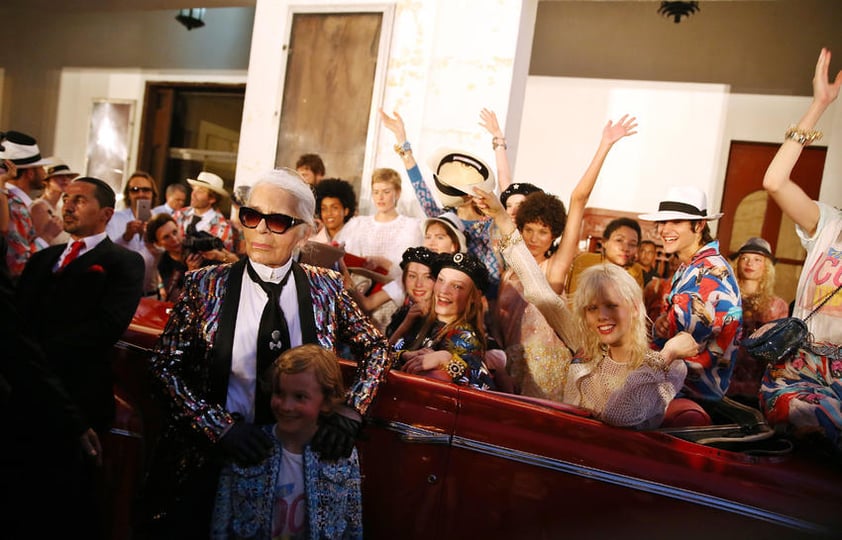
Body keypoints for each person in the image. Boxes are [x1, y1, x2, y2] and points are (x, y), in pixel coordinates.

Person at [140, 168, 390, 539]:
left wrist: (352, 410)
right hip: (213, 461)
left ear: (305, 231)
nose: (260, 229)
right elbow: (163, 366)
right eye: (252, 216)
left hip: (298, 468)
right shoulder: (205, 284)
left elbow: (376, 346)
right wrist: (217, 428)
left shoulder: (326, 287)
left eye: (277, 221)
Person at [14, 176, 144, 536]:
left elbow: (106, 328)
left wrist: (33, 354)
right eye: (66, 198)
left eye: (79, 200)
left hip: (80, 396)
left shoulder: (123, 263)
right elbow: (18, 321)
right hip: (27, 395)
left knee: (67, 501)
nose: (67, 205)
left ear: (105, 213)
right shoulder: (44, 259)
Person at [491, 202, 696, 429]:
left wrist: (667, 355)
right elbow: (538, 289)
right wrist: (500, 216)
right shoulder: (585, 343)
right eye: (592, 308)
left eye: (612, 305)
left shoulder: (669, 366)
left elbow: (619, 415)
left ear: (635, 307)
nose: (602, 316)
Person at [476, 114, 638, 400]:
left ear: (554, 235)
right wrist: (498, 141)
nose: (534, 238)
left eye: (543, 232)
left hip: (548, 375)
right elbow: (505, 190)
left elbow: (578, 199)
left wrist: (605, 144)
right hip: (509, 367)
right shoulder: (509, 269)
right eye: (528, 230)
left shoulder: (554, 269)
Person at [759, 48, 842, 457]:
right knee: (805, 416)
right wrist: (819, 105)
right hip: (800, 371)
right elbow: (774, 181)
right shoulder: (829, 223)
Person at [211, 344, 363, 539]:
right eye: (279, 393)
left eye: (299, 397)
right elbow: (221, 519)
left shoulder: (342, 454)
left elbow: (353, 520)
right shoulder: (249, 446)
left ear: (326, 401)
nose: (286, 406)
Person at [380, 109, 503, 299]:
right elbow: (419, 186)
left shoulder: (490, 226)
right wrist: (401, 140)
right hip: (438, 299)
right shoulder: (445, 219)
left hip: (475, 304)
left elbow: (492, 278)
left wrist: (498, 140)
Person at [639, 186, 742, 403]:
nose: (664, 230)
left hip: (689, 391)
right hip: (679, 383)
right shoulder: (691, 266)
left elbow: (681, 345)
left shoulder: (706, 273)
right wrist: (661, 325)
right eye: (662, 222)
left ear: (699, 225)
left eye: (676, 222)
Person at [335, 168, 423, 331]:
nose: (380, 197)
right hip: (357, 290)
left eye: (386, 191)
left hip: (391, 296)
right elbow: (339, 255)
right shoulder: (358, 224)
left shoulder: (411, 227)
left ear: (397, 192)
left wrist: (385, 263)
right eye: (376, 192)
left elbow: (414, 272)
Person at [397, 252, 497, 391]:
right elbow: (382, 355)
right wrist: (404, 343)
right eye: (441, 280)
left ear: (475, 296)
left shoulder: (465, 338)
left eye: (457, 286)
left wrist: (448, 360)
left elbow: (483, 390)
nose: (443, 291)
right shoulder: (419, 320)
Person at [727, 237, 789, 403]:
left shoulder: (777, 306)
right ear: (737, 263)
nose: (749, 263)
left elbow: (777, 353)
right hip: (721, 382)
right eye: (744, 258)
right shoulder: (725, 298)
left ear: (766, 267)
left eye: (757, 259)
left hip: (755, 387)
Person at [0, 131, 61, 277]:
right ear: (30, 173)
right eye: (40, 167)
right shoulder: (14, 205)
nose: (44, 172)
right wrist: (47, 236)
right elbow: (19, 264)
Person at [478, 107, 544, 219]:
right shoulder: (502, 230)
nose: (512, 211)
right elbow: (503, 178)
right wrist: (498, 135)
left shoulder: (536, 233)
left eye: (520, 205)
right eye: (508, 206)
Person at [106, 170, 160, 294]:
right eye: (135, 190)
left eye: (146, 190)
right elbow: (108, 252)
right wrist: (126, 237)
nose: (141, 193)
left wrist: (150, 240)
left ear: (153, 194)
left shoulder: (160, 220)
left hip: (149, 291)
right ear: (128, 194)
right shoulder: (115, 218)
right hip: (119, 290)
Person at [567, 216, 643, 296]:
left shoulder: (635, 270)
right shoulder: (586, 261)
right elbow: (573, 301)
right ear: (604, 242)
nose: (626, 248)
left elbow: (636, 305)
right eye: (619, 240)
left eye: (632, 244)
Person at [385, 246, 437, 348]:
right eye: (412, 276)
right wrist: (406, 324)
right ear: (404, 280)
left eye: (427, 277)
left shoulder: (443, 319)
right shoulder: (403, 314)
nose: (418, 284)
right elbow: (391, 351)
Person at [173, 171, 236, 253]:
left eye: (200, 191)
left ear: (212, 199)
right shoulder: (179, 215)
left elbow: (224, 260)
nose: (193, 194)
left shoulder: (223, 227)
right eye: (193, 189)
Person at [145, 212, 203, 302]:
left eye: (175, 232)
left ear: (179, 228)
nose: (174, 239)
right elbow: (176, 299)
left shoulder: (199, 240)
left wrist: (219, 256)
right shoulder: (164, 263)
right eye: (166, 237)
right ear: (158, 243)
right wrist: (191, 274)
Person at [30, 159, 79, 246]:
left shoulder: (60, 209)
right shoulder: (39, 207)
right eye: (59, 176)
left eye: (68, 176)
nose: (65, 180)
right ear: (46, 181)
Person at [312, 177, 357, 244]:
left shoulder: (356, 240)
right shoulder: (313, 242)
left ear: (346, 211)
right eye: (324, 209)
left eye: (334, 208)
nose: (329, 213)